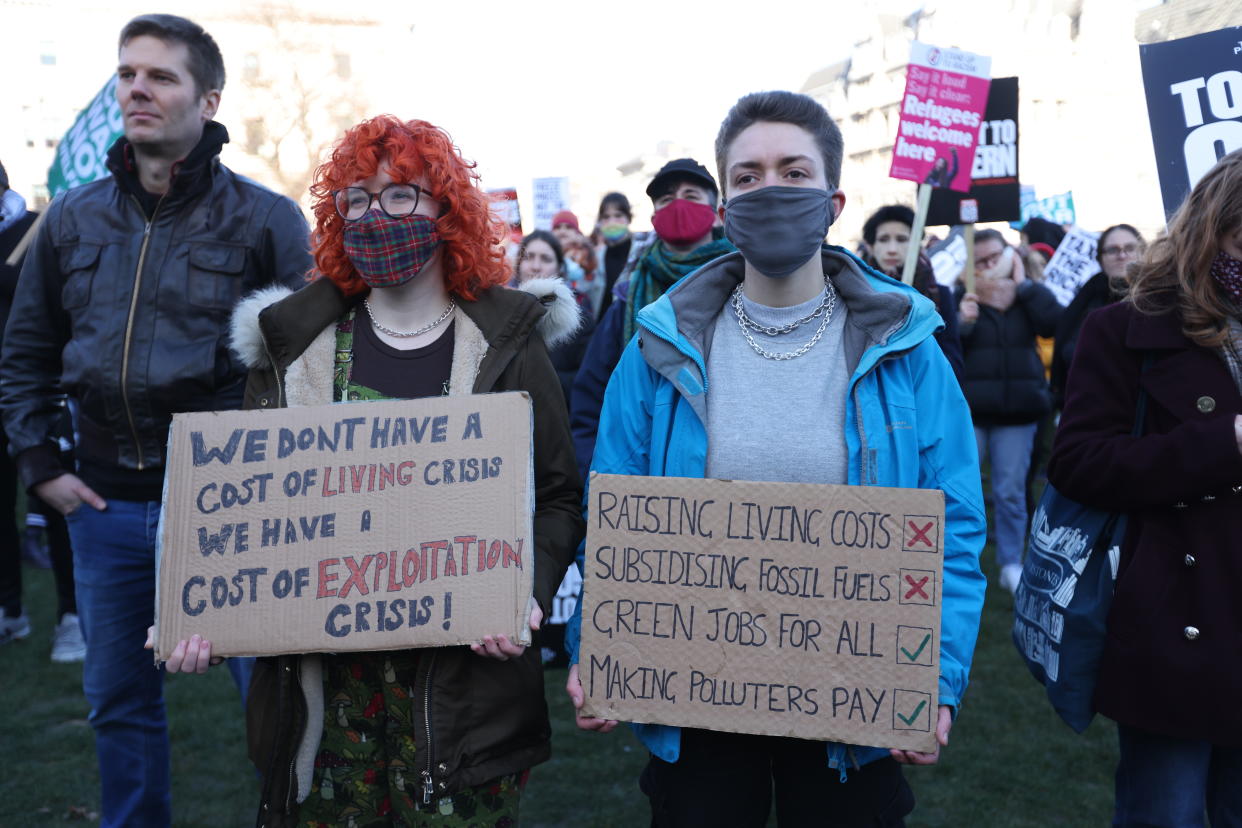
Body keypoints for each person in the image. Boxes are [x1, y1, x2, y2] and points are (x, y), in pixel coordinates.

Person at [565, 90, 986, 827]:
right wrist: (594, 648)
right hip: (694, 686)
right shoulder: (656, 352)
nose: (772, 190)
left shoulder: (911, 352)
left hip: (853, 689)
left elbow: (953, 528)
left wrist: (937, 678)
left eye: (794, 173)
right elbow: (615, 517)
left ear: (833, 200)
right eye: (750, 175)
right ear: (725, 207)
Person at [164, 114, 585, 826]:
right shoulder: (294, 351)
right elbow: (249, 510)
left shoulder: (508, 345)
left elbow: (555, 495)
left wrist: (524, 590)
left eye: (400, 196)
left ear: (444, 211)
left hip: (461, 696)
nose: (374, 214)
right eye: (356, 199)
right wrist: (207, 611)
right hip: (328, 703)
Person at [0, 15, 311, 826]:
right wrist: (40, 464)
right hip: (102, 506)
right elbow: (25, 351)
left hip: (234, 513)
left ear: (207, 100)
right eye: (128, 74)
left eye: (160, 77)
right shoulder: (69, 218)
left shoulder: (268, 220)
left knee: (274, 709)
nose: (137, 88)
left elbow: (314, 368)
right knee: (117, 706)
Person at [1046, 149, 1242, 827]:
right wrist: (1227, 446)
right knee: (1169, 813)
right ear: (1213, 230)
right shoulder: (1124, 328)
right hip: (1174, 630)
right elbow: (1076, 461)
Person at [569, 158, 734, 482]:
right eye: (666, 199)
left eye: (692, 195)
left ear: (716, 213)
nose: (679, 205)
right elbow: (591, 396)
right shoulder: (628, 296)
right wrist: (600, 478)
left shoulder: (745, 283)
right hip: (646, 486)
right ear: (655, 216)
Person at [956, 229, 1061, 595]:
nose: (989, 266)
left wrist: (1025, 285)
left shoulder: (1028, 295)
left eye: (995, 257)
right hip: (972, 410)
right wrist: (962, 323)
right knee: (960, 489)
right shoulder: (962, 295)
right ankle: (956, 560)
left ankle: (1012, 563)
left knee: (1011, 491)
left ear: (1011, 254)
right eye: (981, 260)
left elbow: (1055, 324)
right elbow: (945, 346)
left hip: (1018, 410)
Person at [861, 204, 964, 377]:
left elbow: (953, 363)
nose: (892, 249)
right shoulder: (855, 293)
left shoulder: (939, 295)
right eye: (883, 239)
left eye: (902, 239)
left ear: (916, 243)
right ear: (870, 246)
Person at [1050, 223, 1145, 408]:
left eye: (1130, 248)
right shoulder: (1083, 301)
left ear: (1143, 252)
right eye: (1112, 250)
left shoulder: (1158, 299)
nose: (1122, 255)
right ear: (1100, 258)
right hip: (1088, 405)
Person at [514, 229, 594, 406]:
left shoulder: (580, 321)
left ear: (559, 267)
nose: (535, 266)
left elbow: (588, 379)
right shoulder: (498, 313)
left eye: (546, 259)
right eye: (529, 257)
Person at [593, 191, 648, 319]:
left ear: (629, 218)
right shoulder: (597, 257)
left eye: (618, 215)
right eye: (606, 217)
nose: (612, 221)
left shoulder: (642, 252)